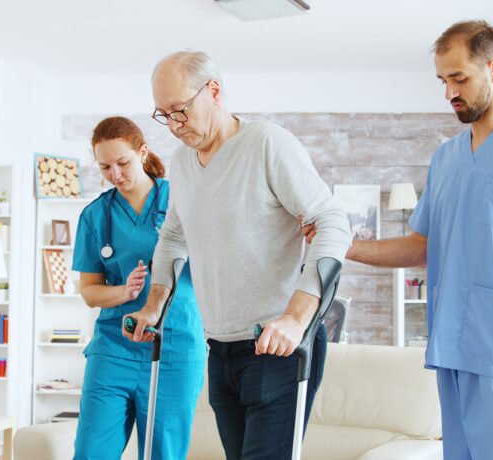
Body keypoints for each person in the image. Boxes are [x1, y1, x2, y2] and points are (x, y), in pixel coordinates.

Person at [325, 20, 493, 459]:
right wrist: (344, 246)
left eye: (459, 78)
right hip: (451, 351)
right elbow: (421, 246)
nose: (449, 92)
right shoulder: (446, 159)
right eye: (442, 80)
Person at [124, 51, 352, 459]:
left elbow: (332, 222)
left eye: (180, 110)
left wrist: (295, 318)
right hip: (220, 348)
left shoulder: (266, 143)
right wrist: (154, 307)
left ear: (213, 90)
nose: (174, 125)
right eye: (164, 115)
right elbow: (173, 237)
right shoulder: (183, 162)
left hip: (277, 347)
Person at [71, 116, 206, 460]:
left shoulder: (183, 199)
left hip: (174, 347)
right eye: (105, 167)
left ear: (142, 152)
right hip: (112, 349)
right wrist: (124, 293)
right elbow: (90, 291)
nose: (115, 174)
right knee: (90, 453)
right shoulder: (95, 216)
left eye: (123, 163)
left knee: (163, 454)